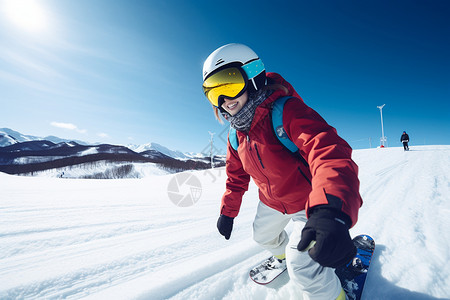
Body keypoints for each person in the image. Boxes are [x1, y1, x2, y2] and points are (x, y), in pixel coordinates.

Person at [202, 43, 362, 300]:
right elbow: (236, 178)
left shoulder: (285, 111)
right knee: (263, 236)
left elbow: (328, 151)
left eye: (229, 84)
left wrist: (330, 209)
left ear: (253, 76)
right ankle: (282, 258)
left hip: (307, 202)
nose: (224, 100)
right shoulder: (235, 135)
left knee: (303, 267)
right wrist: (227, 212)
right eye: (213, 93)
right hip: (272, 203)